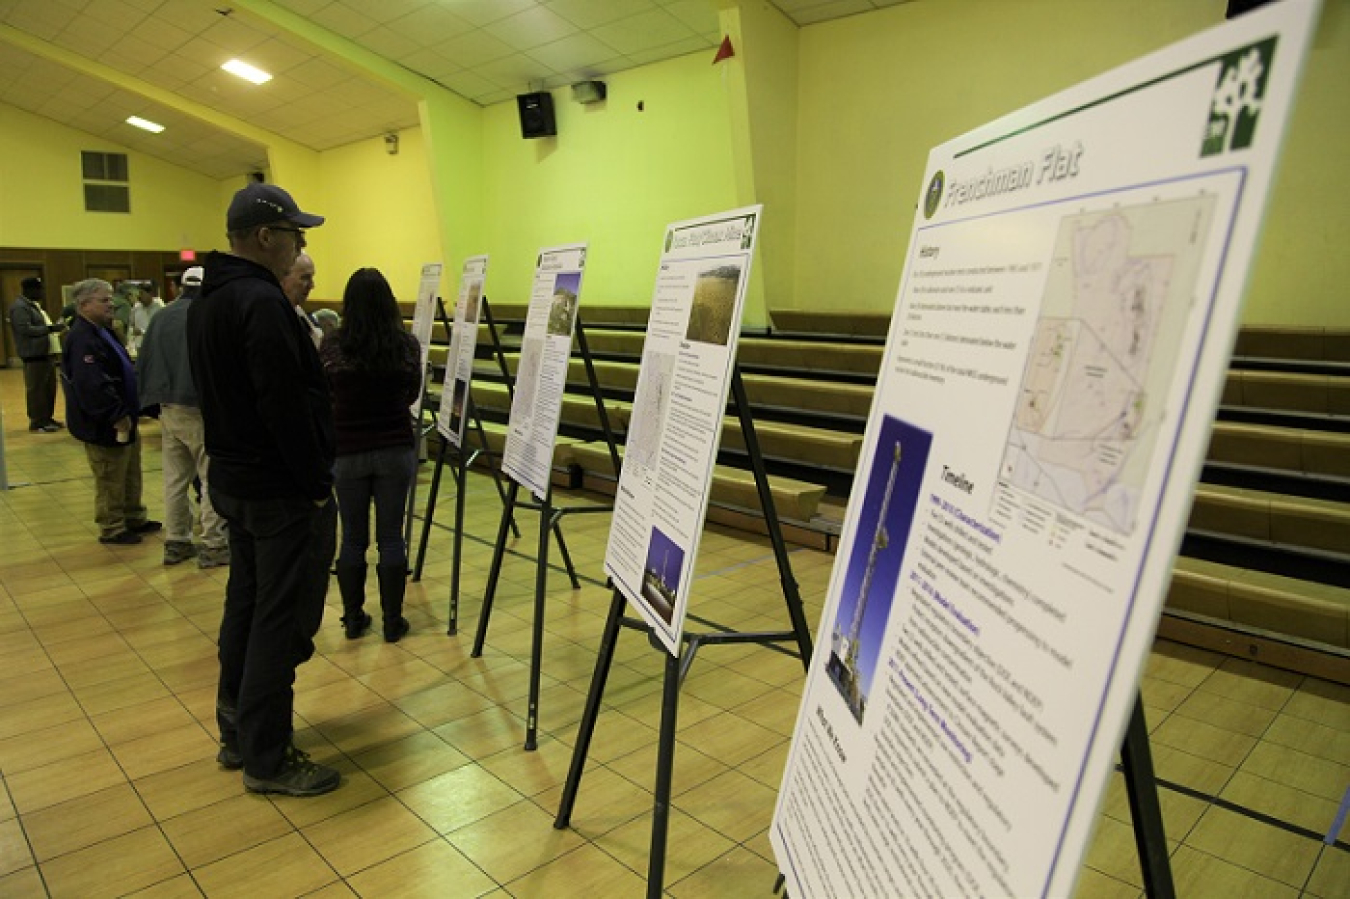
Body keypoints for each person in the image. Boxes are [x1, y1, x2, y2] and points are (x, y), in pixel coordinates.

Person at [187, 181, 339, 798]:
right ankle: (269, 757)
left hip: (232, 479)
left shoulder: (208, 299)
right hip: (275, 487)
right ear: (265, 237)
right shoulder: (260, 303)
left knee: (245, 607)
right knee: (277, 619)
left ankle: (237, 730)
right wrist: (313, 483)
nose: (300, 244)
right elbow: (284, 406)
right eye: (295, 233)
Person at [321, 268, 422, 643]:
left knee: (352, 539)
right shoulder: (405, 345)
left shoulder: (333, 345)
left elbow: (325, 394)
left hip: (347, 452)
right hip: (395, 447)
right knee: (391, 537)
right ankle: (393, 621)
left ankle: (352, 618)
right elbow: (411, 393)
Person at [136, 266, 229, 568]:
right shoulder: (208, 316)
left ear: (180, 288)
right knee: (210, 476)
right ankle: (215, 544)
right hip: (201, 410)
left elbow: (145, 362)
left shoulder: (160, 317)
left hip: (168, 408)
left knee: (174, 479)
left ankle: (176, 541)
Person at [60, 279, 161, 545]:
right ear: (83, 305)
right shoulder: (82, 338)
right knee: (110, 475)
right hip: (106, 422)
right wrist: (115, 415)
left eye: (110, 300)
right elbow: (91, 384)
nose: (111, 305)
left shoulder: (102, 331)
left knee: (129, 471)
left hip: (126, 416)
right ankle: (112, 527)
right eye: (104, 301)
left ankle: (133, 515)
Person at [8, 276, 65, 432]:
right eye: (39, 289)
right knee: (37, 390)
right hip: (33, 355)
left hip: (45, 354)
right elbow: (25, 329)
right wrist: (51, 329)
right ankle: (37, 422)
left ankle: (47, 418)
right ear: (29, 290)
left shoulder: (34, 306)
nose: (42, 292)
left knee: (48, 389)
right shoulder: (20, 307)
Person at [282, 252, 323, 349]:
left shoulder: (303, 318)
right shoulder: (270, 316)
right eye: (305, 278)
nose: (312, 285)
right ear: (282, 277)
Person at [127, 280, 164, 354]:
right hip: (139, 346)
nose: (139, 296)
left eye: (141, 293)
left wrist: (142, 332)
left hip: (155, 346)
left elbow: (161, 329)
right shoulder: (136, 307)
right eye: (138, 294)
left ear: (150, 294)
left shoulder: (159, 307)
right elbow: (130, 326)